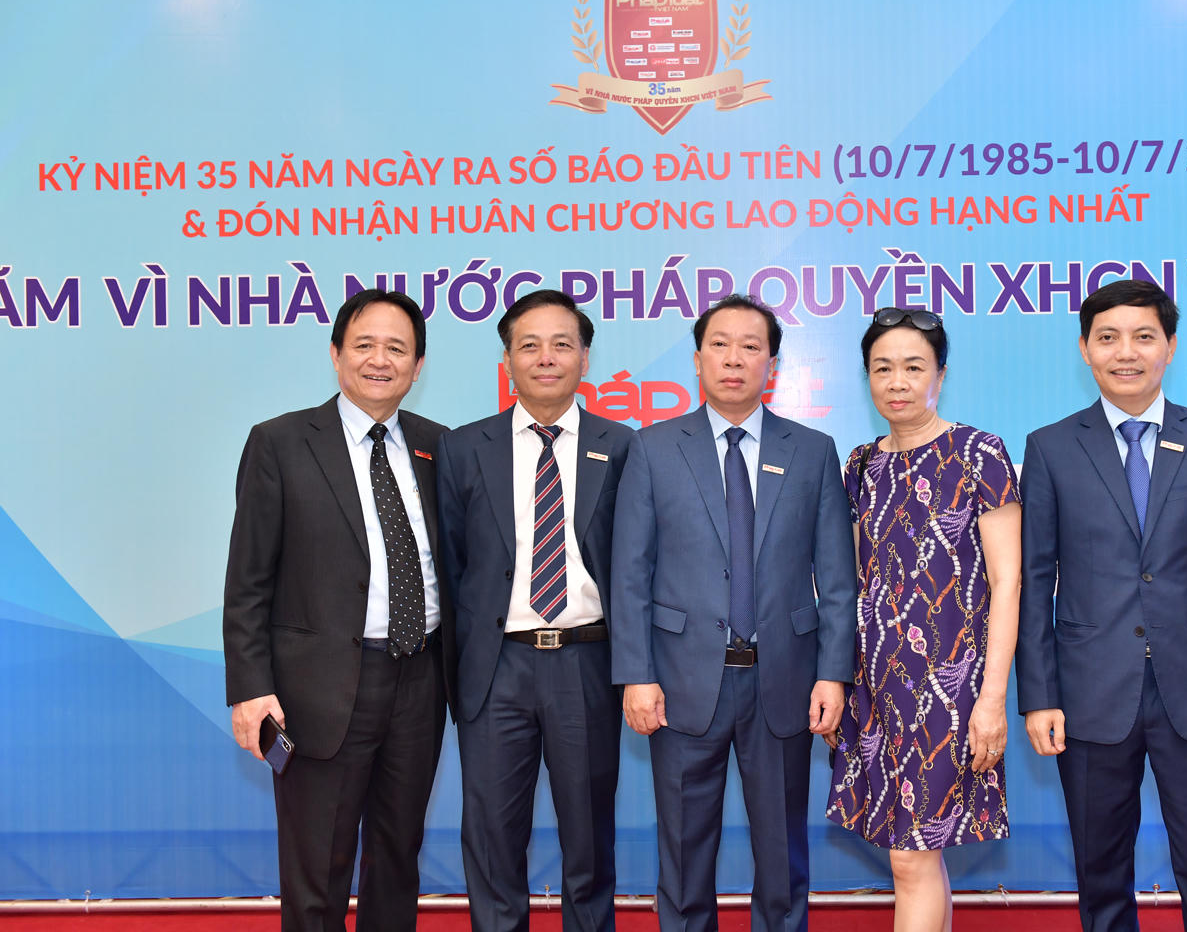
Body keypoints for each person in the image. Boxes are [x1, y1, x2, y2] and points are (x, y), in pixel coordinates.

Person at [1016, 279, 1187, 932]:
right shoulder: (1050, 447)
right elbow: (1033, 579)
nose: (1125, 352)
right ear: (1084, 349)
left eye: (1143, 336)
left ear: (1170, 347)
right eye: (1108, 338)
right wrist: (1039, 695)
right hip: (1089, 696)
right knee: (1101, 881)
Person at [610, 294, 857, 932]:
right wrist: (636, 674)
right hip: (681, 681)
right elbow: (630, 573)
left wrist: (833, 674)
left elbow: (837, 579)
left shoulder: (812, 450)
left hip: (785, 680)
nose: (734, 359)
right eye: (719, 345)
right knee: (683, 855)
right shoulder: (654, 447)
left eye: (751, 347)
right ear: (697, 359)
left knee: (783, 856)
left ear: (772, 364)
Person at [223, 289, 450, 931]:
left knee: (397, 858)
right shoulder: (280, 442)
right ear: (335, 354)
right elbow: (247, 581)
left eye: (397, 348)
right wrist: (251, 688)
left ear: (418, 366)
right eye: (365, 345)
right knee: (317, 870)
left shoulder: (440, 446)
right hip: (317, 691)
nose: (380, 360)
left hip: (421, 680)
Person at [436, 289, 635, 932]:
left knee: (589, 842)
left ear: (584, 357)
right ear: (507, 359)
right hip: (498, 668)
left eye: (561, 344)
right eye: (529, 345)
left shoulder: (623, 446)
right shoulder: (464, 448)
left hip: (587, 663)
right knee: (493, 842)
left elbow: (636, 566)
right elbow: (453, 566)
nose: (545, 357)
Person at [826, 307, 1022, 932]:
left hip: (950, 689)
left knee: (911, 856)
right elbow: (852, 583)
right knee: (913, 853)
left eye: (914, 367)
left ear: (941, 373)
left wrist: (992, 698)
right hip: (877, 685)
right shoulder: (861, 464)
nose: (898, 382)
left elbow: (1008, 582)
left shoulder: (978, 452)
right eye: (882, 368)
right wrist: (841, 681)